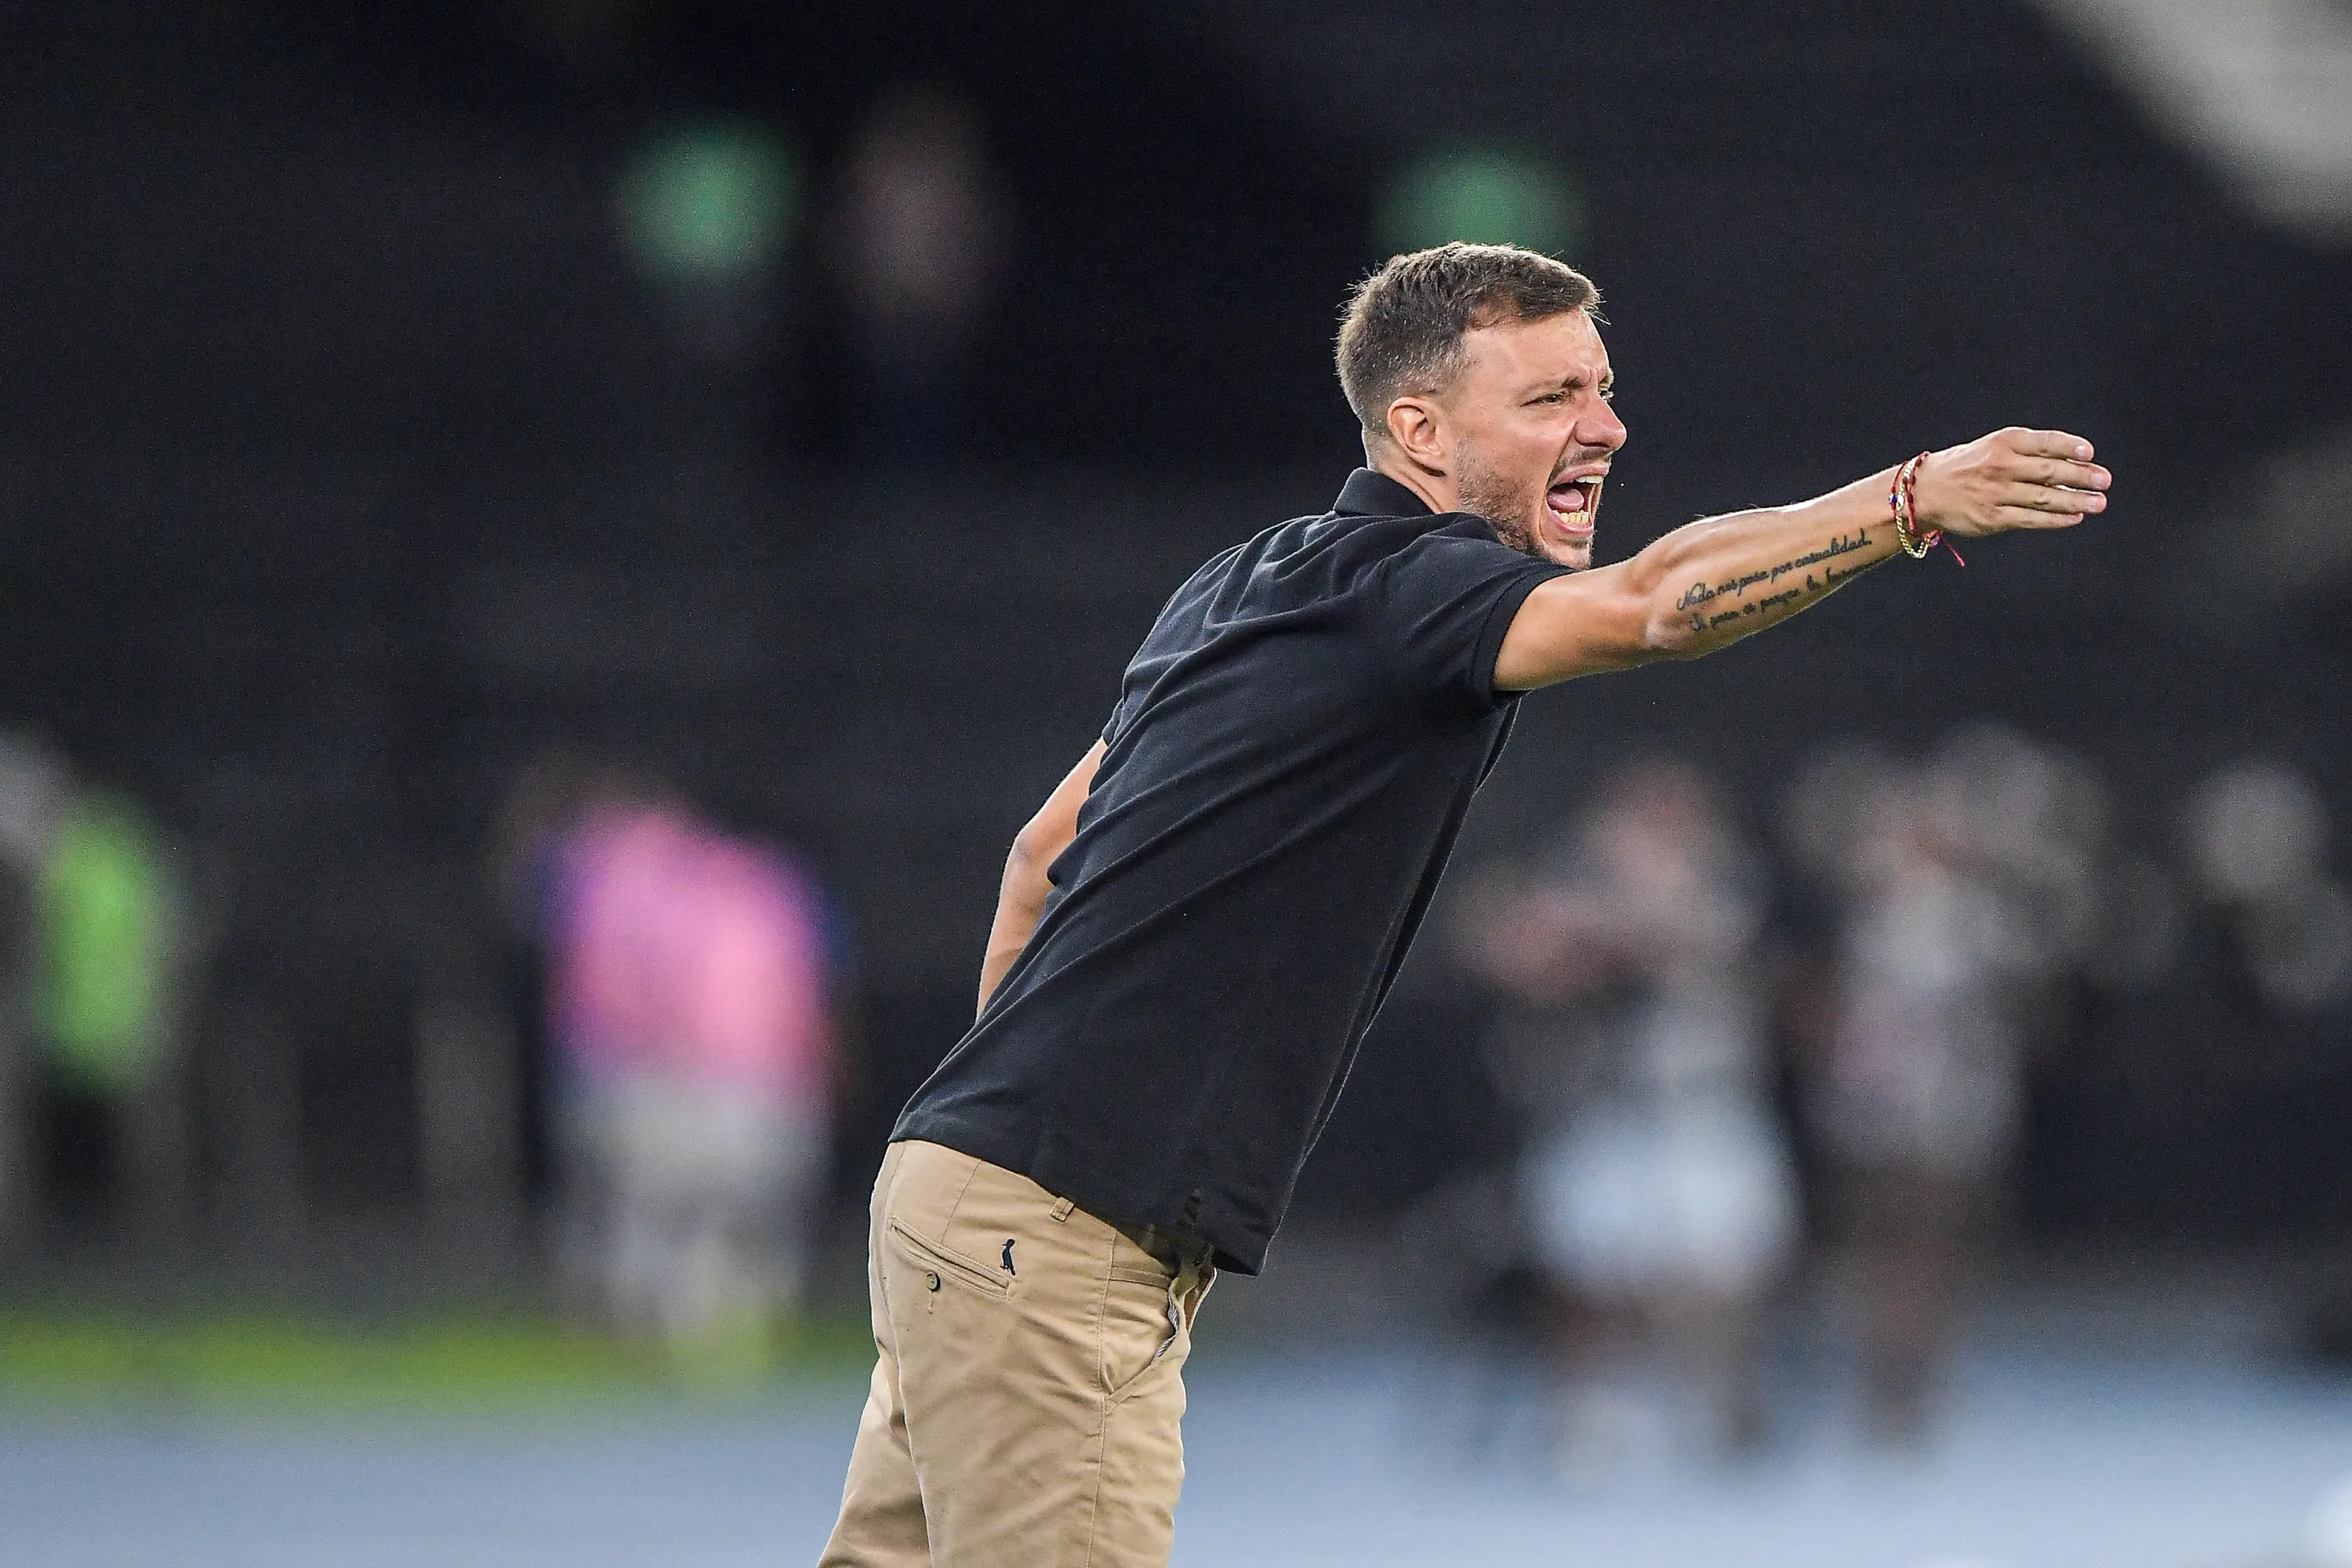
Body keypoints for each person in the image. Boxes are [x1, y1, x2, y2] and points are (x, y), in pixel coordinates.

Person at [818, 241, 2111, 1567]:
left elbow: (1040, 856)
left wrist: (1002, 1145)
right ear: (1421, 432)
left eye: (1603, 390)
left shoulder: (1247, 579)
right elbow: (1660, 604)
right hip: (1045, 1226)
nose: (1605, 427)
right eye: (1551, 397)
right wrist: (1909, 501)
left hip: (963, 1184)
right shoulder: (1409, 591)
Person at [1463, 760, 1798, 1473]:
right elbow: (1508, 947)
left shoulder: (1727, 880)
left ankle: (1720, 1407)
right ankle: (1582, 1414)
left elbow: (1685, 941)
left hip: (1701, 1100)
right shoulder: (1574, 880)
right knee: (1585, 1266)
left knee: (1724, 1263)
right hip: (1600, 1103)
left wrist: (1613, 923)